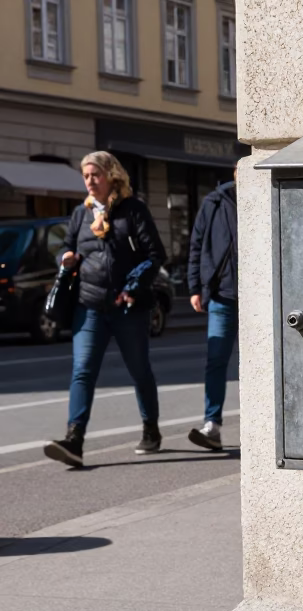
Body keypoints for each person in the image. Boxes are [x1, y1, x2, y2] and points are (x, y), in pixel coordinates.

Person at [43, 152, 166, 467]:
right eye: (86, 176)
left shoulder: (132, 210)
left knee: (139, 370)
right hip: (89, 304)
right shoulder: (80, 215)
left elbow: (155, 254)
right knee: (82, 371)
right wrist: (65, 258)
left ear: (112, 175)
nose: (90, 181)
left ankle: (150, 428)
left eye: (95, 174)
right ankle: (74, 440)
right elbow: (65, 246)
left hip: (127, 306)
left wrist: (133, 288)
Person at [186, 170, 238, 451]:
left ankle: (266, 425)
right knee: (216, 359)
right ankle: (212, 425)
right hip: (221, 295)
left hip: (260, 295)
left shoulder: (267, 191)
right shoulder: (215, 202)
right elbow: (196, 244)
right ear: (235, 174)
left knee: (265, 363)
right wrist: (195, 286)